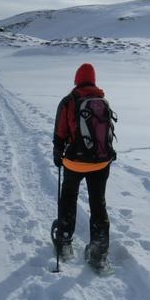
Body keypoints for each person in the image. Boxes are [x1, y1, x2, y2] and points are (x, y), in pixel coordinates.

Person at [53, 63, 116, 269]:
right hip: (101, 162)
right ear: (93, 80)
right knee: (98, 203)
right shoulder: (102, 101)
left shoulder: (68, 101)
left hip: (75, 162)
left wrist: (57, 154)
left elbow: (59, 134)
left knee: (69, 197)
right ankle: (99, 253)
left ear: (77, 79)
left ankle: (64, 242)